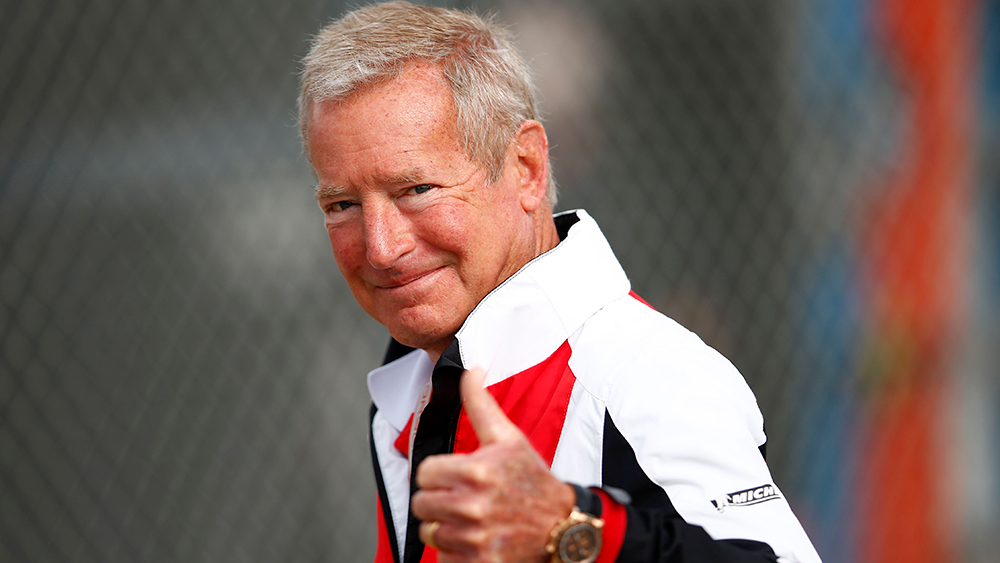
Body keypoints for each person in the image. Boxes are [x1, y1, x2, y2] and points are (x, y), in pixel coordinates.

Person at [298, 2, 822, 562]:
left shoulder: (642, 373)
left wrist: (570, 532)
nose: (381, 246)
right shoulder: (412, 382)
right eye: (342, 204)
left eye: (417, 190)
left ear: (526, 167)